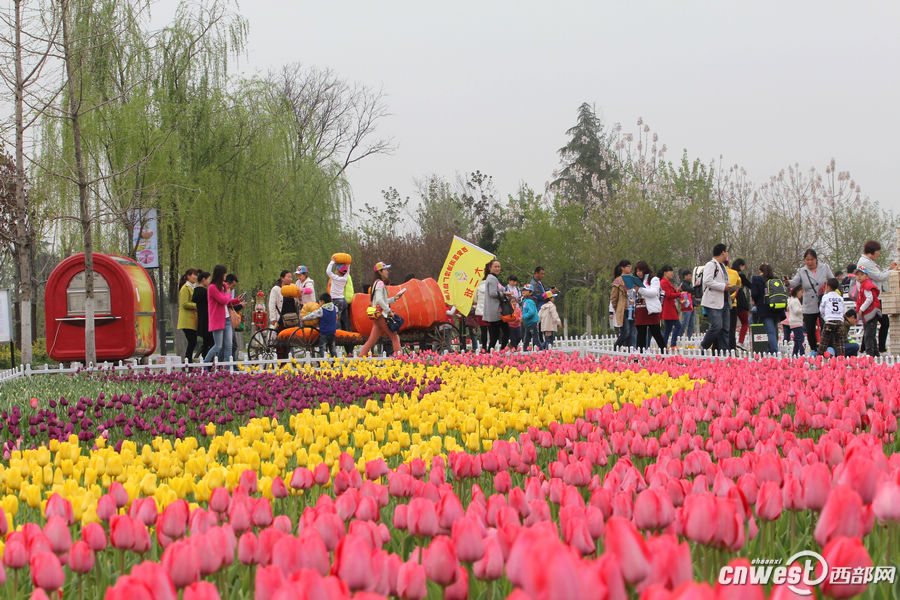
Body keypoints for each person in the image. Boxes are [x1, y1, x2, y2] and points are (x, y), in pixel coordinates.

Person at [790, 249, 834, 355]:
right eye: (807, 260)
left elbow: (833, 280)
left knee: (827, 326)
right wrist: (788, 282)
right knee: (810, 328)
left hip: (823, 301)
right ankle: (814, 349)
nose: (809, 262)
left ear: (816, 259)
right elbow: (794, 282)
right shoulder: (802, 271)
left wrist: (828, 288)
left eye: (812, 259)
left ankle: (829, 347)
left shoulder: (824, 268)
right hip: (809, 303)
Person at [856, 240, 898, 354]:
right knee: (878, 323)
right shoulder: (866, 263)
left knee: (871, 324)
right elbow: (879, 277)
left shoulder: (867, 261)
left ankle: (866, 348)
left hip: (874, 297)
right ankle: (877, 349)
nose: (878, 256)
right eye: (877, 253)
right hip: (873, 298)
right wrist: (892, 272)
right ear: (872, 252)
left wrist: (889, 270)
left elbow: (878, 275)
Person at [358, 262, 405, 357]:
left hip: (377, 316)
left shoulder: (376, 283)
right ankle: (399, 359)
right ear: (380, 272)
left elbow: (380, 300)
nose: (387, 272)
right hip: (382, 315)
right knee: (394, 337)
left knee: (372, 340)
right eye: (385, 270)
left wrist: (394, 298)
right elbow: (379, 300)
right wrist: (389, 311)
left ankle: (360, 357)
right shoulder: (380, 283)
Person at [203, 265, 244, 366]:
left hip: (227, 319)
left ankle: (228, 368)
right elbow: (223, 300)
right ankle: (205, 363)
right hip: (217, 320)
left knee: (229, 345)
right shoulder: (212, 288)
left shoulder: (224, 286)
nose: (225, 276)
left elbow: (227, 301)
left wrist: (237, 300)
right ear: (220, 274)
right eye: (224, 274)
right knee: (218, 346)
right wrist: (228, 294)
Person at [700, 244, 735, 352]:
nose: (727, 255)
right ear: (723, 252)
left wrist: (729, 287)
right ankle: (704, 346)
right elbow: (707, 281)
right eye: (726, 252)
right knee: (717, 326)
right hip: (713, 301)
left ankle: (724, 351)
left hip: (724, 301)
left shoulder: (723, 266)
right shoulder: (711, 265)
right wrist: (723, 287)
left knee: (725, 329)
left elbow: (723, 281)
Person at [750, 263, 785, 354]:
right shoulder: (776, 279)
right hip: (777, 308)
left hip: (765, 309)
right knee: (773, 329)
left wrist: (756, 301)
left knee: (770, 331)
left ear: (760, 270)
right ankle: (770, 349)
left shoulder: (757, 279)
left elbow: (754, 294)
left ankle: (774, 351)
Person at [634, 261, 666, 352]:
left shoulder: (653, 279)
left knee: (656, 333)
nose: (638, 273)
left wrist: (639, 289)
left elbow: (653, 293)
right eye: (637, 271)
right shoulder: (636, 281)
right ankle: (640, 356)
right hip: (640, 309)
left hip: (651, 309)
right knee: (641, 334)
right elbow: (632, 296)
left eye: (640, 270)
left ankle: (665, 354)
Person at [269, 270, 299, 360]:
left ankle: (288, 359)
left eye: (291, 277)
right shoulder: (276, 289)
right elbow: (272, 304)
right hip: (281, 318)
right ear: (282, 278)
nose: (290, 279)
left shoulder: (293, 289)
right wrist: (273, 318)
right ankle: (281, 361)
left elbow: (296, 302)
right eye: (288, 277)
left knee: (289, 340)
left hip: (291, 318)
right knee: (281, 340)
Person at [482, 259, 510, 351]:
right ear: (490, 268)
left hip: (494, 310)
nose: (498, 268)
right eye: (495, 266)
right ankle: (499, 350)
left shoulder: (493, 278)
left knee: (496, 333)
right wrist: (504, 294)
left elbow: (500, 288)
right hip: (495, 311)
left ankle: (492, 351)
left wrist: (504, 291)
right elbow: (493, 293)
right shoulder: (492, 278)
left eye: (499, 267)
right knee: (502, 332)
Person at [854, 266, 881, 357]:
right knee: (870, 334)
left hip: (871, 312)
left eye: (862, 274)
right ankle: (875, 353)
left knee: (869, 335)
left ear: (867, 276)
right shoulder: (863, 285)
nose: (859, 277)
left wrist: (861, 309)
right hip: (869, 313)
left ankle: (870, 354)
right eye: (857, 275)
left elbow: (870, 299)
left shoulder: (866, 285)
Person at [302, 293, 340, 357]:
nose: (319, 304)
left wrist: (304, 318)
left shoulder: (322, 310)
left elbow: (313, 315)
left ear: (322, 301)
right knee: (332, 348)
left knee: (322, 348)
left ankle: (323, 362)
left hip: (324, 333)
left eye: (319, 302)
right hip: (332, 332)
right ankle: (335, 362)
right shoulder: (335, 308)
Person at [817, 278, 846, 357]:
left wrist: (825, 318)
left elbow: (821, 309)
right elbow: (843, 310)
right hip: (839, 321)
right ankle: (841, 357)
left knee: (824, 341)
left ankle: (819, 357)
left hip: (829, 320)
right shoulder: (840, 298)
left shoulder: (826, 297)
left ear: (828, 287)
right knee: (839, 341)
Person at [611, 260, 634, 350]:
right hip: (623, 309)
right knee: (626, 331)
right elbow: (613, 297)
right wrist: (617, 308)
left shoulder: (632, 278)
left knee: (632, 333)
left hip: (633, 308)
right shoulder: (618, 281)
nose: (630, 268)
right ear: (622, 268)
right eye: (628, 266)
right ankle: (616, 347)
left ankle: (629, 351)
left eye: (630, 266)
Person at [177, 269, 198, 362]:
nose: (196, 277)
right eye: (194, 275)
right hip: (186, 320)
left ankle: (188, 361)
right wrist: (197, 306)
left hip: (191, 319)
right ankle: (188, 361)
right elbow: (184, 304)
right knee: (192, 341)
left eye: (196, 275)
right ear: (188, 276)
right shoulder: (185, 288)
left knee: (192, 342)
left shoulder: (192, 287)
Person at [731, 259, 751, 349]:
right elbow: (749, 285)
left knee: (732, 323)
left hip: (731, 298)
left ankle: (730, 342)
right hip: (740, 299)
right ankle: (740, 342)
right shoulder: (740, 274)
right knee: (745, 322)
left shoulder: (730, 273)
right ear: (741, 266)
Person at [326, 260, 351, 331]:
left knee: (336, 318)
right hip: (343, 300)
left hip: (336, 300)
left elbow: (328, 271)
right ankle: (348, 333)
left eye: (336, 269)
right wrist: (348, 264)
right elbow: (348, 270)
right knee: (345, 318)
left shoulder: (335, 278)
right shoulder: (345, 278)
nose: (335, 271)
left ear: (337, 271)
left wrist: (332, 262)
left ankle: (338, 333)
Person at [192, 271, 212, 360]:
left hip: (201, 319)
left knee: (206, 342)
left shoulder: (196, 291)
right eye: (208, 279)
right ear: (203, 279)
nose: (209, 281)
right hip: (208, 319)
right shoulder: (205, 292)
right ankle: (208, 360)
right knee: (210, 342)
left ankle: (205, 359)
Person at [659, 266, 681, 347]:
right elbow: (668, 295)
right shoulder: (664, 282)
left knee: (668, 329)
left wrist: (676, 291)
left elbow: (671, 292)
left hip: (670, 307)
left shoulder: (667, 282)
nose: (672, 273)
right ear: (665, 272)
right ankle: (673, 344)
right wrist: (679, 294)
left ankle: (663, 345)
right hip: (668, 308)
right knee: (678, 326)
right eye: (670, 271)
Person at [225, 274, 243, 360]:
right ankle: (230, 366)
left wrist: (237, 300)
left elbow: (229, 302)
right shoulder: (225, 290)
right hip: (226, 318)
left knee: (229, 345)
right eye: (233, 285)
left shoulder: (229, 290)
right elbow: (227, 303)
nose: (233, 288)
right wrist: (239, 304)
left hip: (228, 317)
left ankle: (227, 365)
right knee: (229, 345)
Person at [505, 275, 523, 349]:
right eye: (513, 281)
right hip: (510, 307)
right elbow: (504, 297)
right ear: (509, 281)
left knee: (519, 336)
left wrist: (518, 299)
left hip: (517, 307)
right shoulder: (506, 288)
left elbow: (520, 297)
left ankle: (512, 345)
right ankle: (514, 348)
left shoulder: (517, 288)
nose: (514, 283)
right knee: (512, 335)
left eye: (515, 281)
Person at [520, 284, 540, 350]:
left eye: (526, 290)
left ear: (531, 292)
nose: (523, 291)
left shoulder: (530, 301)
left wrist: (523, 317)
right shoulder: (525, 300)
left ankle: (541, 351)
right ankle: (525, 351)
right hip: (528, 323)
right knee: (526, 339)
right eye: (523, 290)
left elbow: (531, 312)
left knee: (535, 339)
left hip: (532, 323)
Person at [787, 286, 805, 356]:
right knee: (800, 338)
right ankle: (801, 352)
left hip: (795, 322)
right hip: (796, 322)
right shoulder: (794, 301)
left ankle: (795, 353)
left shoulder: (794, 300)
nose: (802, 294)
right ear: (797, 292)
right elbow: (796, 311)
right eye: (801, 292)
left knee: (797, 339)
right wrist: (803, 308)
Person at [679, 270, 695, 339]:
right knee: (685, 322)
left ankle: (689, 337)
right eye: (689, 276)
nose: (690, 277)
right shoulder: (683, 284)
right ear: (685, 276)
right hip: (686, 306)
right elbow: (691, 290)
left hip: (692, 305)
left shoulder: (689, 284)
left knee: (691, 323)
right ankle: (679, 335)